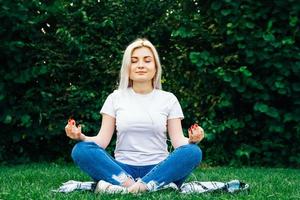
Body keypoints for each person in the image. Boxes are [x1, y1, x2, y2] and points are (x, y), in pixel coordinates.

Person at [65, 38, 205, 194]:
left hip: (160, 168)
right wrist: (81, 136)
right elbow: (101, 141)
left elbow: (179, 142)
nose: (140, 65)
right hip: (122, 170)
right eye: (134, 61)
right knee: (80, 150)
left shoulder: (168, 99)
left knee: (193, 151)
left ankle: (137, 186)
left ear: (155, 67)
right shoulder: (115, 98)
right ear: (127, 67)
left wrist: (193, 140)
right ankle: (138, 186)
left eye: (147, 60)